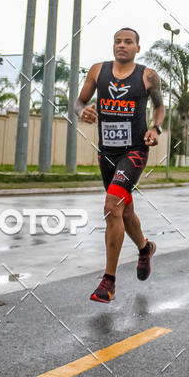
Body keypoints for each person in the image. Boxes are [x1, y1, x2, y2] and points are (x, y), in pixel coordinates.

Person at [75, 27, 164, 303]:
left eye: (128, 41)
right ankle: (145, 247)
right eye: (117, 41)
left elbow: (159, 108)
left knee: (112, 206)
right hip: (107, 153)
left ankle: (108, 281)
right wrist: (84, 112)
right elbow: (78, 103)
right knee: (123, 212)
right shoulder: (97, 71)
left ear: (138, 47)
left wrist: (156, 129)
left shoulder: (148, 76)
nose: (122, 45)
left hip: (135, 152)